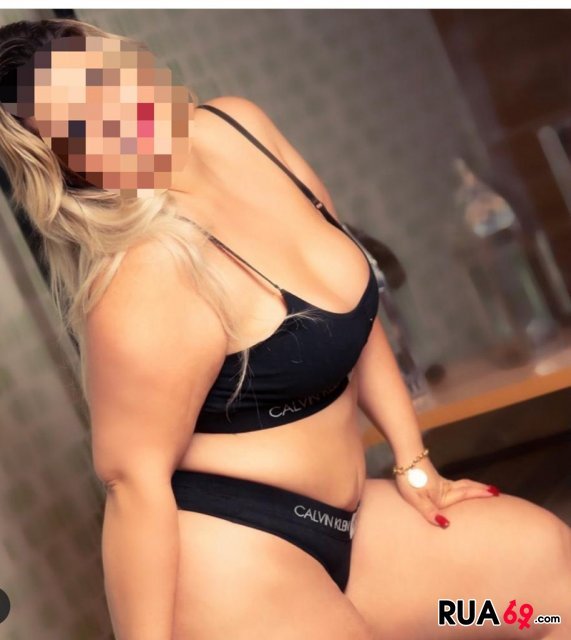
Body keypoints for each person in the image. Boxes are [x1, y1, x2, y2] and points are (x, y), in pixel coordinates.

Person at [0, 16, 569, 640]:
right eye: (79, 121)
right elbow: (132, 485)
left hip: (350, 526)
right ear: (62, 164)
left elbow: (350, 298)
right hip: (232, 565)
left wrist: (414, 463)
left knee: (548, 591)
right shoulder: (142, 272)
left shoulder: (239, 128)